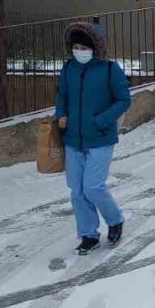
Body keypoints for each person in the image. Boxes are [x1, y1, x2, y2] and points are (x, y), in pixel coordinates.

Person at [55, 21, 132, 255]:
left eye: (84, 47)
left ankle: (115, 220)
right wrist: (61, 115)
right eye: (76, 47)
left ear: (95, 48)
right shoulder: (69, 68)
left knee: (93, 187)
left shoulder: (109, 69)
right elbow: (62, 95)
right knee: (77, 191)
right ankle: (88, 234)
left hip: (100, 139)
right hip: (73, 139)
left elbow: (123, 100)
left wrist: (101, 120)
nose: (79, 51)